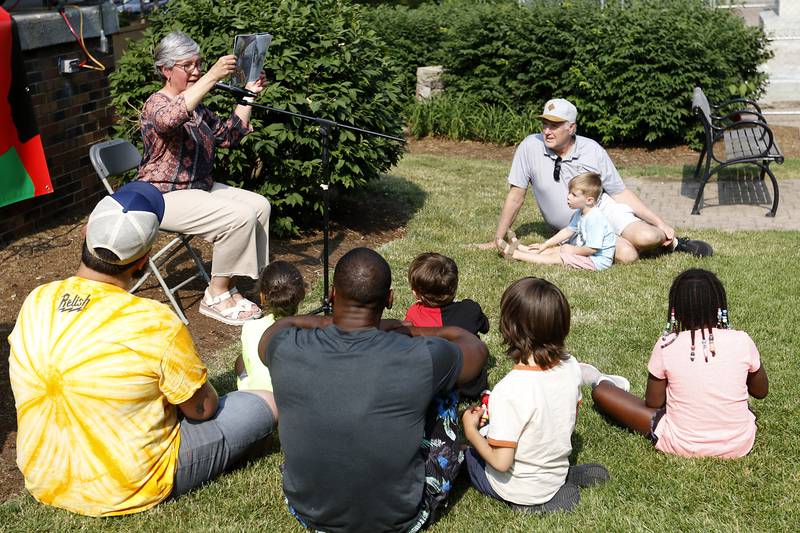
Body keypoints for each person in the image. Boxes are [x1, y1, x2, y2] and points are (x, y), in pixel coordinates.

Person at [8, 182, 277, 516]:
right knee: (265, 401)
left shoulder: (38, 300)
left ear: (88, 234)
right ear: (145, 259)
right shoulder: (153, 320)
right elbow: (202, 410)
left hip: (43, 474)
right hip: (128, 484)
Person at [261, 247, 489, 533]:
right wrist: (404, 329)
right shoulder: (419, 356)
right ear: (390, 299)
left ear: (332, 294)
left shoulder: (285, 348)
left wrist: (329, 322)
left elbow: (280, 326)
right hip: (402, 518)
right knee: (445, 390)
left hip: (308, 512)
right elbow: (474, 348)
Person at [138, 30, 270, 325]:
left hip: (198, 188)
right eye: (189, 66)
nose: (196, 72)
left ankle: (231, 284)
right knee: (238, 217)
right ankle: (215, 296)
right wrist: (211, 77)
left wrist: (247, 94)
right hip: (162, 195)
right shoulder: (155, 104)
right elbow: (170, 119)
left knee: (259, 206)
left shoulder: (197, 106)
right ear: (166, 70)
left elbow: (229, 135)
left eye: (199, 64)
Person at [487, 98, 712, 263]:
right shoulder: (530, 146)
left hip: (602, 207)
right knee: (627, 255)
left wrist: (660, 222)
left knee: (647, 236)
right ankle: (622, 242)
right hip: (576, 225)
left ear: (571, 128)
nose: (547, 131)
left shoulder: (592, 150)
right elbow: (516, 196)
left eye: (554, 125)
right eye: (544, 124)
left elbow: (619, 192)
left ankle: (674, 243)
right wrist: (497, 238)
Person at [462, 277, 610, 513]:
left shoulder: (510, 389)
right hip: (554, 466)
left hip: (519, 488)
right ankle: (561, 477)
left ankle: (534, 505)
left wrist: (471, 431)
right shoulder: (571, 366)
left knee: (468, 457)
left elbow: (501, 463)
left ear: (509, 328)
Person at [590, 269, 768, 458]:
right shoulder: (741, 340)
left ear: (676, 312)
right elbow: (760, 391)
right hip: (738, 442)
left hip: (681, 441)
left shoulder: (667, 344)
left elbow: (654, 402)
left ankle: (605, 381)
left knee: (601, 392)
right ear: (719, 307)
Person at [404, 251, 490, 397]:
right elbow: (485, 328)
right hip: (472, 383)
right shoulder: (471, 309)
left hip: (437, 386)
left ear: (416, 293)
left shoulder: (414, 314)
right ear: (454, 287)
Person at [498, 172, 616, 271]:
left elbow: (593, 249)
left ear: (589, 200)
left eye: (574, 195)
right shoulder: (580, 213)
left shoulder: (595, 219)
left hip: (596, 261)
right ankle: (523, 249)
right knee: (556, 249)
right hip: (587, 254)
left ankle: (516, 255)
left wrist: (572, 250)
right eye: (569, 192)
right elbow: (567, 231)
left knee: (557, 257)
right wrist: (545, 244)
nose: (568, 196)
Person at [235, 260, 305, 391]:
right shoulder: (309, 334)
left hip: (257, 399)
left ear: (262, 296)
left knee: (240, 362)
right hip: (294, 403)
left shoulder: (249, 328)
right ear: (302, 294)